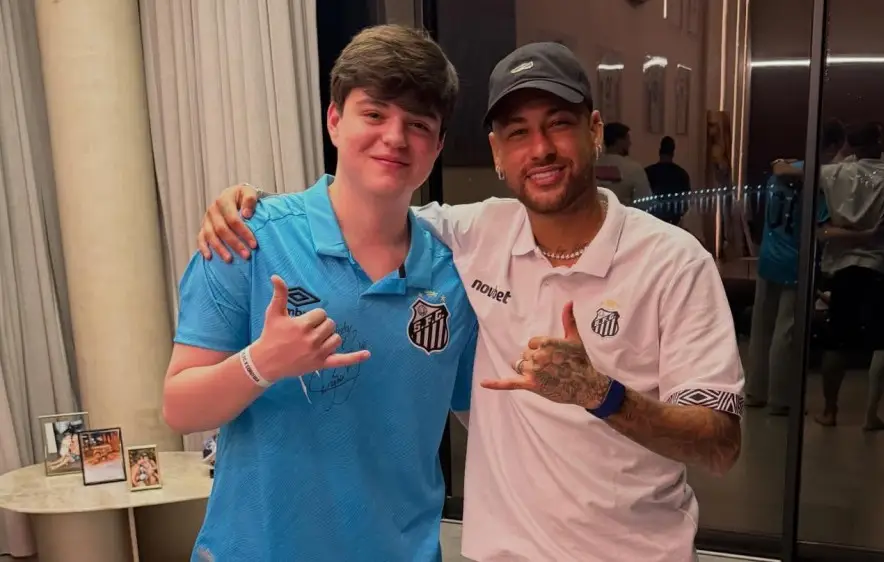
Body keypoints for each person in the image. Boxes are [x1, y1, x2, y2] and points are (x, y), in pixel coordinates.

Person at [198, 41, 743, 562]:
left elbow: (720, 444)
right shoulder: (472, 235)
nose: (541, 149)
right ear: (497, 153)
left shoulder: (673, 262)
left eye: (558, 123)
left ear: (594, 131)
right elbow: (367, 209)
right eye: (518, 132)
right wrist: (255, 208)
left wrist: (603, 395)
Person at [161, 25, 478, 562]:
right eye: (374, 114)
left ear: (439, 144)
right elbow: (179, 409)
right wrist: (262, 363)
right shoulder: (248, 238)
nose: (395, 137)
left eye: (418, 124)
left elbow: (490, 419)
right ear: (334, 120)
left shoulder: (456, 277)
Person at [809, 122, 884, 430]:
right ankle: (871, 414)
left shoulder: (833, 174)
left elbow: (794, 173)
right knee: (882, 341)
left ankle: (830, 410)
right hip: (881, 264)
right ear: (878, 142)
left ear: (850, 145)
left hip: (843, 265)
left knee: (837, 341)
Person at [746, 119, 845, 415]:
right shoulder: (818, 183)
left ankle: (755, 391)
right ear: (833, 146)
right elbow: (821, 227)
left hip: (768, 256)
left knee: (761, 327)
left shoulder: (778, 176)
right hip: (795, 262)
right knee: (786, 331)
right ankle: (780, 398)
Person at [594, 121, 652, 204]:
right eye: (627, 139)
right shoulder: (634, 169)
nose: (630, 143)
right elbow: (645, 202)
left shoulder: (592, 166)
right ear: (619, 141)